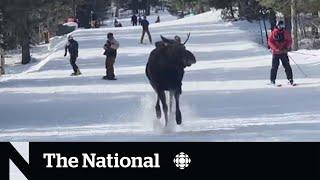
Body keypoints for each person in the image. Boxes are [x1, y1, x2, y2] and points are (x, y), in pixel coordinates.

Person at [268, 20, 294, 86]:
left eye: (282, 25)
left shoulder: (285, 33)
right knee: (274, 67)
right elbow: (270, 42)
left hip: (283, 52)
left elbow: (290, 40)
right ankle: (272, 80)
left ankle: (290, 79)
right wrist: (276, 48)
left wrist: (286, 47)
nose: (281, 27)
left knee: (287, 66)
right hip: (276, 53)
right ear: (277, 25)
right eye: (279, 25)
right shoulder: (273, 33)